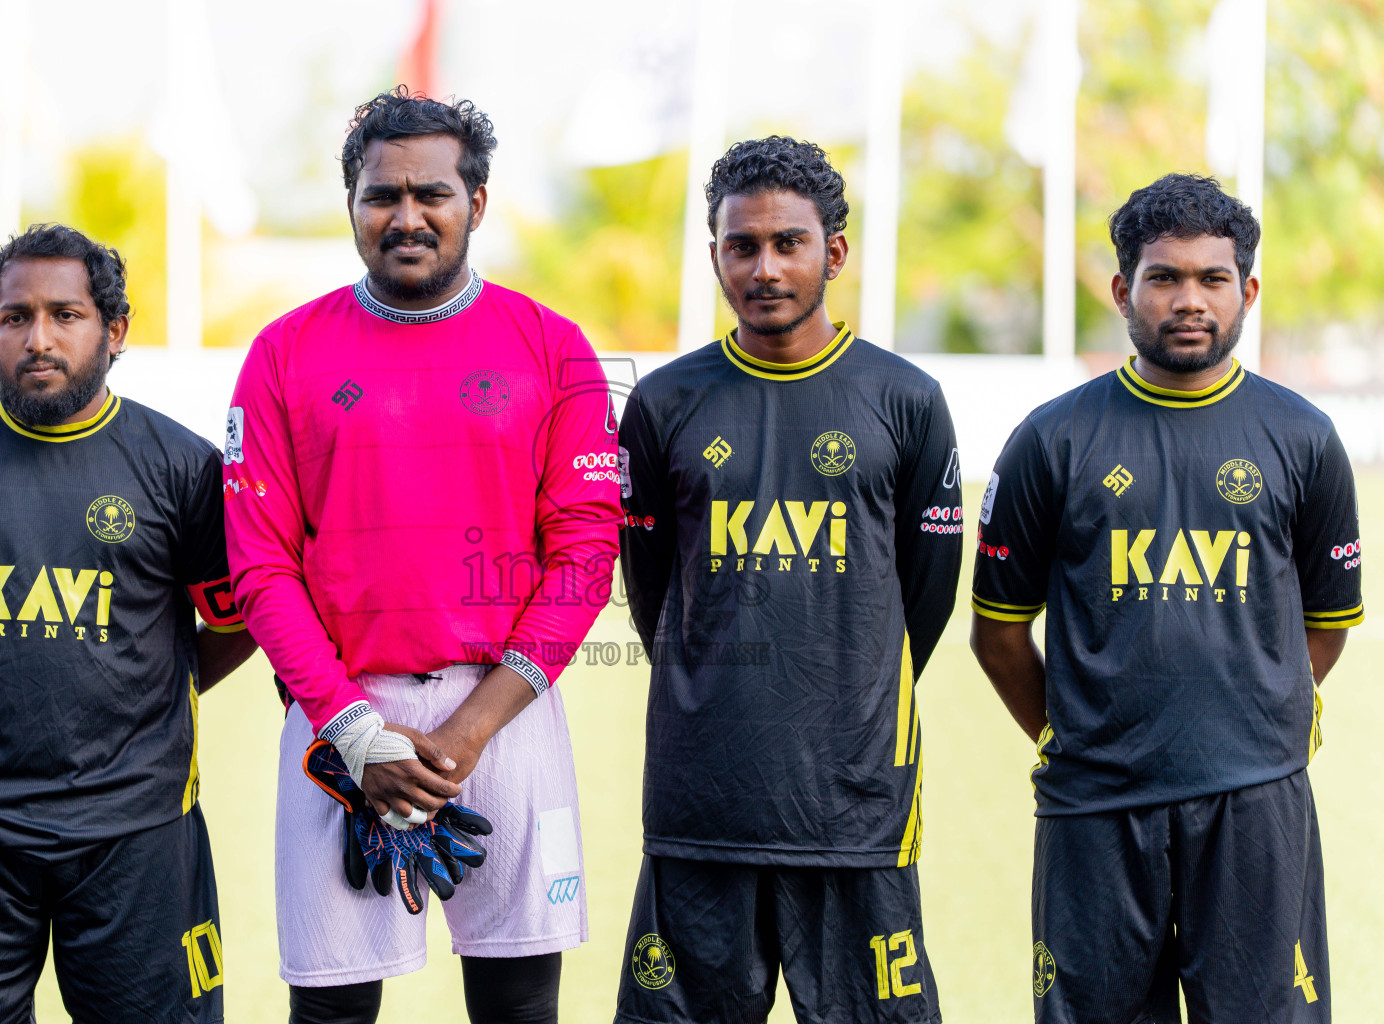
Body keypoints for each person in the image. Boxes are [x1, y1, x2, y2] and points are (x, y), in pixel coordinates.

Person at [223, 87, 620, 1024]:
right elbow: (260, 567)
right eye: (380, 195)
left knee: (520, 1003)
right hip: (341, 720)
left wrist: (473, 728)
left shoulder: (553, 346)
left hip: (508, 712)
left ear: (476, 204)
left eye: (432, 194)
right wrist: (358, 735)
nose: (406, 216)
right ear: (353, 204)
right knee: (332, 1010)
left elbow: (584, 554)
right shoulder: (283, 354)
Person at [970, 173, 1357, 1023]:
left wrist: (1254, 718)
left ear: (1247, 290)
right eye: (1164, 277)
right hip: (1095, 809)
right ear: (1123, 289)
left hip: (1255, 805)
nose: (1190, 300)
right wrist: (1073, 733)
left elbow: (1324, 629)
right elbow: (996, 633)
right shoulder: (1052, 439)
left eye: (1212, 279)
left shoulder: (1303, 439)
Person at [0, 224, 257, 1023]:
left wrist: (154, 688)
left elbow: (236, 620)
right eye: (14, 318)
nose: (38, 339)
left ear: (114, 331)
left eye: (65, 315)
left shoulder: (182, 466)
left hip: (135, 828)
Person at [615, 136, 961, 1024]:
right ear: (716, 256)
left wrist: (852, 671)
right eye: (742, 246)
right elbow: (653, 587)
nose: (764, 267)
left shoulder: (905, 399)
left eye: (788, 244)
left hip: (854, 809)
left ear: (832, 253)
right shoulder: (663, 403)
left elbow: (923, 596)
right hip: (703, 805)